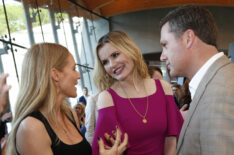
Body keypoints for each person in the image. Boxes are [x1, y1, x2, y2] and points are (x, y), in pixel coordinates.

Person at [6, 43, 128, 155]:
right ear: (55, 74)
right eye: (73, 69)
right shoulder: (31, 128)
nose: (78, 75)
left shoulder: (69, 115)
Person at [92, 31, 183, 155]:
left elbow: (172, 139)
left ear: (130, 50)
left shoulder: (163, 88)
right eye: (105, 62)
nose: (112, 65)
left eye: (115, 55)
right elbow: (103, 150)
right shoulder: (107, 98)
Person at [160, 4, 234, 154]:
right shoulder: (215, 82)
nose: (162, 56)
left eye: (165, 45)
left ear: (188, 38)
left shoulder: (220, 93)